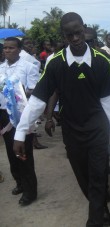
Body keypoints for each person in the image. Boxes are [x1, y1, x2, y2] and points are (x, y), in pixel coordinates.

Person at [13, 12, 110, 226]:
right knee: (83, 175)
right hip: (71, 130)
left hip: (97, 128)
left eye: (78, 33)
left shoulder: (103, 61)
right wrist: (20, 132)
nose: (75, 39)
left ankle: (95, 218)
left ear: (84, 29)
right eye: (69, 35)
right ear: (63, 36)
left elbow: (109, 101)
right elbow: (38, 100)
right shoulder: (55, 64)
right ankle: (100, 206)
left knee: (98, 174)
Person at [0, 37, 38, 206]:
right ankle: (20, 183)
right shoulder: (0, 68)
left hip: (21, 114)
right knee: (10, 152)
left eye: (11, 48)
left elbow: (34, 90)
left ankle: (30, 190)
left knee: (23, 153)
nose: (7, 51)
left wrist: (19, 93)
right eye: (5, 48)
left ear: (19, 49)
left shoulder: (29, 67)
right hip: (4, 115)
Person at [20, 37, 48, 150]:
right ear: (22, 46)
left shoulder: (30, 56)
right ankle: (34, 141)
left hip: (32, 88)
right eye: (27, 43)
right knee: (29, 117)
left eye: (31, 43)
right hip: (25, 91)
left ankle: (33, 138)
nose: (30, 45)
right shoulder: (24, 57)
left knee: (32, 117)